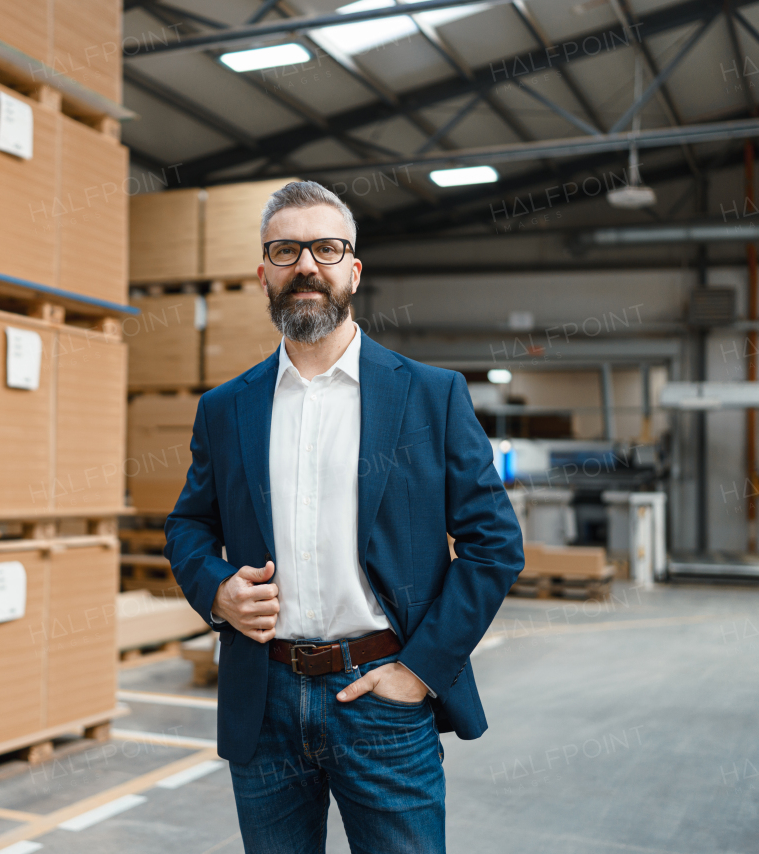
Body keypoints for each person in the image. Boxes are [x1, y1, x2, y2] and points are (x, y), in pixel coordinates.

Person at [164, 180, 524, 853]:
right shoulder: (225, 408)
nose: (306, 265)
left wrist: (419, 672)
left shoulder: (431, 396)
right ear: (263, 274)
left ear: (353, 270)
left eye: (326, 248)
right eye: (286, 250)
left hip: (382, 698)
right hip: (263, 699)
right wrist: (215, 588)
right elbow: (188, 525)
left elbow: (494, 545)